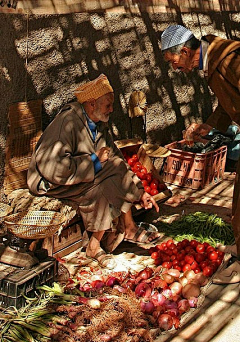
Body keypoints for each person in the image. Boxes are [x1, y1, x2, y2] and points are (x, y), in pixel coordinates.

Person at [27, 74, 160, 269]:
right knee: (109, 175)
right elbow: (52, 167)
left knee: (110, 176)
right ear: (91, 104)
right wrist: (93, 160)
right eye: (108, 105)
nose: (112, 109)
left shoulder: (99, 124)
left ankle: (95, 245)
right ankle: (119, 233)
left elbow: (117, 159)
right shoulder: (68, 122)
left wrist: (140, 191)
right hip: (53, 183)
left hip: (81, 176)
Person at [161, 24, 240, 284]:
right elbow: (229, 102)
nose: (175, 68)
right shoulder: (212, 62)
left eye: (174, 62)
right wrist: (209, 125)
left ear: (185, 51)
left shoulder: (230, 60)